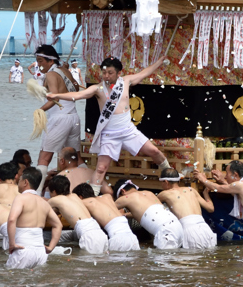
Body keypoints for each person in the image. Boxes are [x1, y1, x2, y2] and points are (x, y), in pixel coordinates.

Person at [48, 55, 170, 189]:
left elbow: (144, 73)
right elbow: (78, 95)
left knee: (154, 151)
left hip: (128, 130)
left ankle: (170, 175)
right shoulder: (98, 89)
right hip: (109, 134)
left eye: (110, 73)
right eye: (104, 72)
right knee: (101, 168)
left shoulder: (125, 81)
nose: (106, 76)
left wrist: (158, 62)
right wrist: (56, 95)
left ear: (119, 73)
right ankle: (93, 194)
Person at [32, 45, 82, 192]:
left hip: (60, 118)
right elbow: (76, 89)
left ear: (50, 61)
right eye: (37, 61)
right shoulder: (64, 70)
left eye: (41, 61)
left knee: (44, 158)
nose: (39, 64)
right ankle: (86, 187)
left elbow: (54, 97)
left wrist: (40, 110)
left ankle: (35, 194)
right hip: (73, 117)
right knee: (76, 158)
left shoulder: (51, 74)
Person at [6, 167, 62, 269]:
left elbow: (11, 220)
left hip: (23, 249)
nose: (18, 182)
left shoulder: (21, 198)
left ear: (25, 182)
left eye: (20, 179)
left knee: (11, 280)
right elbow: (58, 225)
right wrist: (50, 247)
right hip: (41, 252)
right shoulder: (43, 202)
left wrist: (11, 244)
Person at [43, 176, 108, 254]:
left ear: (53, 191)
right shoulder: (74, 196)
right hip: (99, 233)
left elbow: (40, 212)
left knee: (86, 265)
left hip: (88, 236)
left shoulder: (55, 200)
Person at [115, 178, 184, 249]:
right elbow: (145, 213)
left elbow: (108, 209)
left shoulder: (126, 198)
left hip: (165, 231)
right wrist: (125, 215)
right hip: (177, 227)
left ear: (122, 191)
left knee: (162, 259)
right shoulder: (149, 193)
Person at [157, 168, 217, 249]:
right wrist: (205, 194)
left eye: (161, 182)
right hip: (205, 229)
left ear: (166, 182)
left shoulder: (164, 194)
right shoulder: (191, 190)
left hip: (189, 231)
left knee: (188, 260)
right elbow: (210, 208)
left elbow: (150, 206)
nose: (161, 185)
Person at [73, 182, 140, 251]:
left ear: (80, 197)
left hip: (118, 239)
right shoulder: (107, 197)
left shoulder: (85, 202)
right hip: (132, 237)